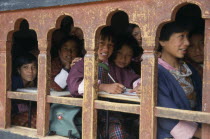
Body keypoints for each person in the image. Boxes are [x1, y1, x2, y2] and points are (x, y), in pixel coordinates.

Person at [67, 26, 140, 138]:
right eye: (101, 43)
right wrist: (103, 87)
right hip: (86, 116)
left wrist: (139, 86)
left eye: (110, 45)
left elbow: (132, 78)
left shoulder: (112, 66)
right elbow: (75, 87)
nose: (106, 49)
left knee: (119, 132)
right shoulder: (80, 65)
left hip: (110, 115)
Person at [157, 21, 202, 139]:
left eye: (187, 37)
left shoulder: (189, 69)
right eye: (181, 36)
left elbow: (201, 101)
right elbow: (165, 117)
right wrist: (200, 134)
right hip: (169, 135)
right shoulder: (155, 72)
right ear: (162, 41)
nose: (187, 43)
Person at [11, 53, 37, 128]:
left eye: (34, 67)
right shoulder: (13, 82)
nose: (30, 71)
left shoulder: (33, 83)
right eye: (25, 67)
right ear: (19, 70)